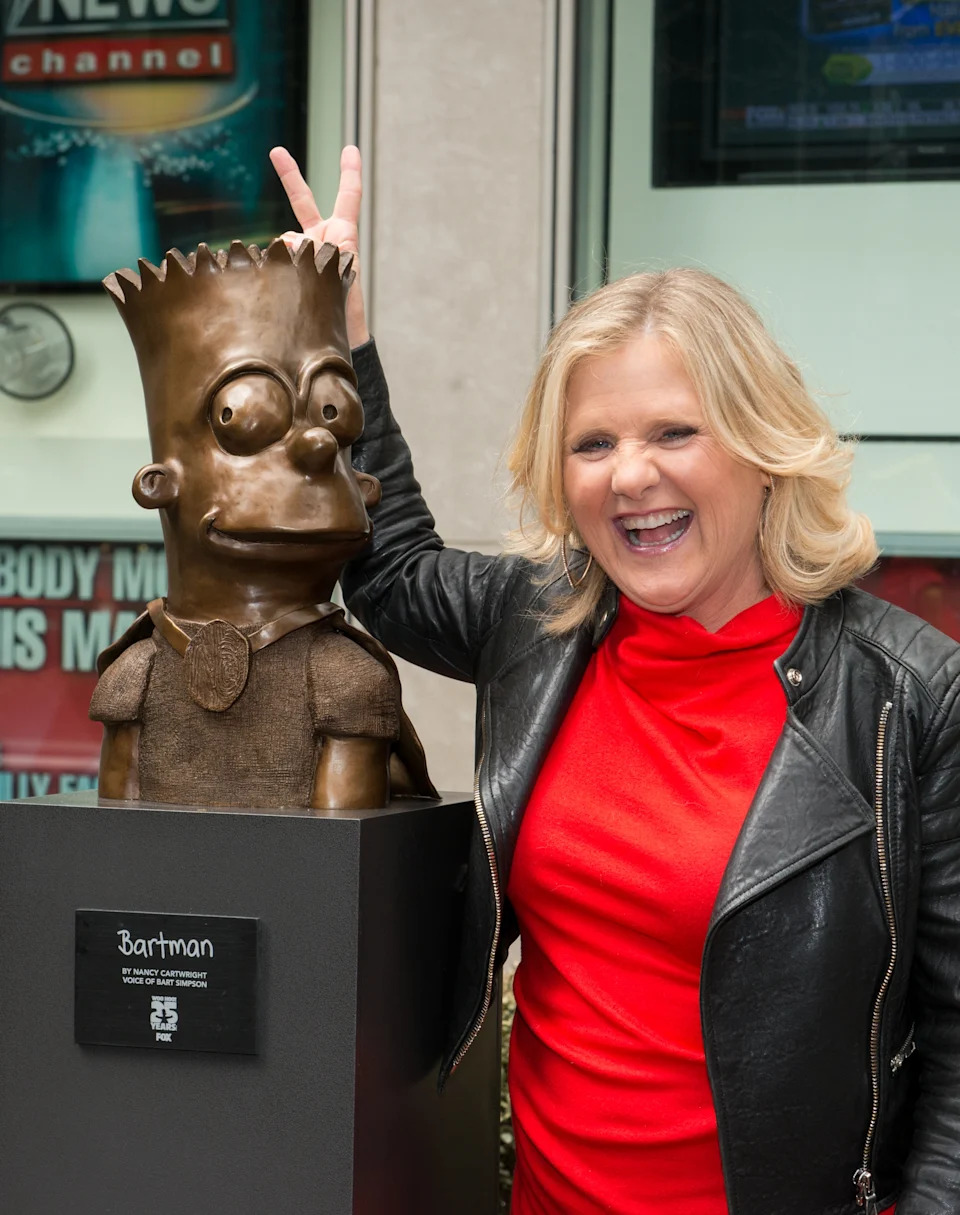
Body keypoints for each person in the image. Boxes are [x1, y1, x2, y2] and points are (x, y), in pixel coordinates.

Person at [270, 146, 960, 1215]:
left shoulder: (909, 695)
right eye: (592, 444)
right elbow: (392, 570)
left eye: (674, 431)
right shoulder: (541, 625)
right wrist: (341, 336)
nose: (631, 475)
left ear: (763, 445)